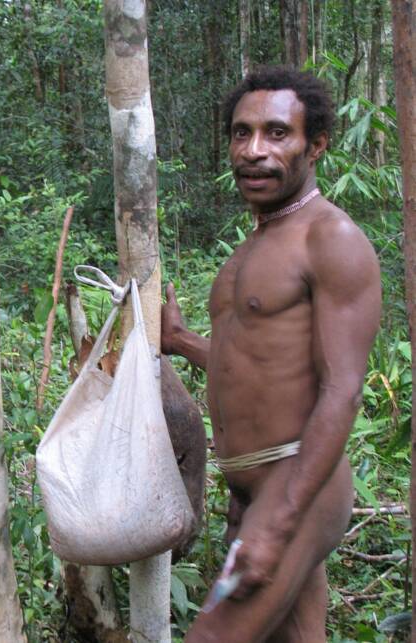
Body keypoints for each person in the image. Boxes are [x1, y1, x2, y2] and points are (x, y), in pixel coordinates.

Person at [161, 66, 382, 642]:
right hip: (252, 489)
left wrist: (277, 523)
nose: (254, 150)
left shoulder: (330, 239)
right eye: (241, 133)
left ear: (317, 144)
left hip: (295, 487)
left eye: (277, 133)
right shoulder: (256, 244)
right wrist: (182, 342)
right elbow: (255, 365)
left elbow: (342, 390)